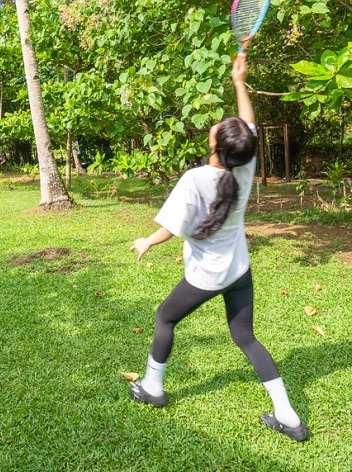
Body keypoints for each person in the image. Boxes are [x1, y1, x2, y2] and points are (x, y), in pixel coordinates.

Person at [129, 56, 309, 442]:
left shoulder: (196, 178)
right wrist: (239, 81)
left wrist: (146, 241)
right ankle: (289, 417)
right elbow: (248, 128)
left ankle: (153, 388)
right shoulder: (245, 166)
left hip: (207, 276)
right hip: (239, 271)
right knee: (245, 338)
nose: (221, 124)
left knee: (164, 318)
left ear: (216, 146)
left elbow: (171, 228)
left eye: (222, 128)